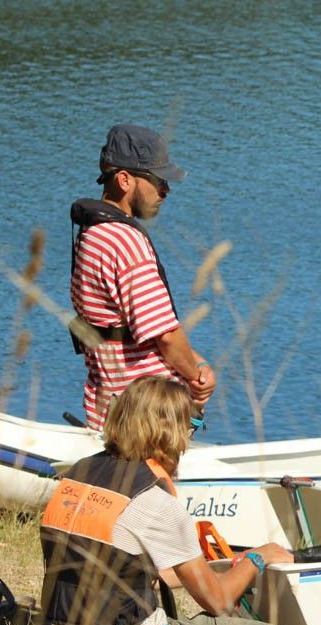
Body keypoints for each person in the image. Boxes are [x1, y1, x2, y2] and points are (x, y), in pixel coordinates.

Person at [39, 377, 299, 625]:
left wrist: (222, 566)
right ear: (171, 431)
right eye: (191, 425)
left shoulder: (77, 475)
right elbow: (219, 602)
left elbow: (124, 569)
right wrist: (257, 559)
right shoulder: (155, 501)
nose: (190, 436)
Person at [70, 124, 215, 431]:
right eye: (158, 180)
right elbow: (165, 336)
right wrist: (196, 376)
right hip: (145, 420)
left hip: (108, 407)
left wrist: (196, 361)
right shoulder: (125, 242)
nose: (166, 190)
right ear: (125, 180)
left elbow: (143, 330)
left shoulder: (91, 234)